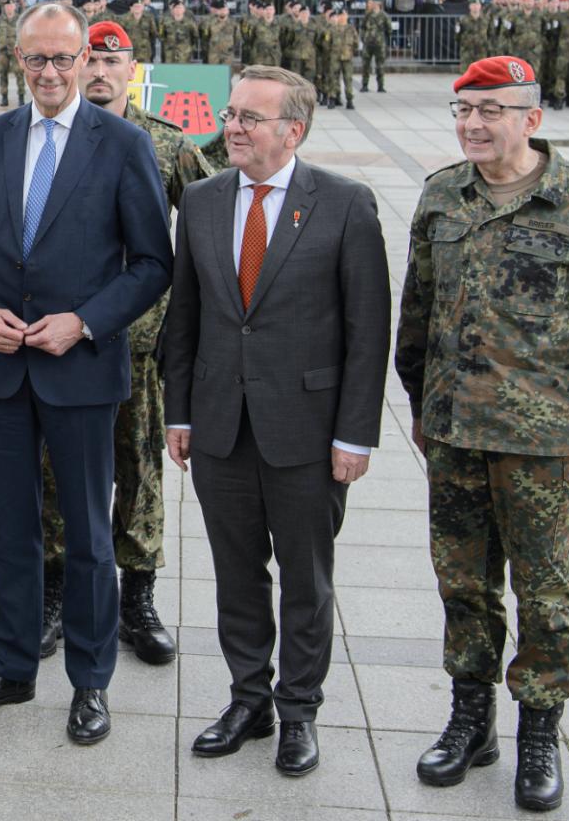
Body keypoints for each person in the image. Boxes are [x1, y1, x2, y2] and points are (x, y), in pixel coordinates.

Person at [396, 56, 569, 813]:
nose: (472, 125)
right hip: (454, 429)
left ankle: (539, 730)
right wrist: (417, 399)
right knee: (463, 583)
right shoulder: (442, 194)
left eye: (491, 111)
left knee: (543, 591)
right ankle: (470, 720)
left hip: (542, 439)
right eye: (463, 111)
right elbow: (418, 307)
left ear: (531, 120)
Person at [0, 1, 173, 746]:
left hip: (82, 371)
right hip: (5, 371)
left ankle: (90, 680)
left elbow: (153, 264)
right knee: (10, 527)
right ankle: (11, 665)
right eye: (35, 58)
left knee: (90, 537)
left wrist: (86, 321)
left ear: (84, 61)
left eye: (63, 59)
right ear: (17, 59)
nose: (49, 72)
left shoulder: (124, 144)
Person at [163, 65, 390, 777]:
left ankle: (298, 712)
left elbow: (368, 331)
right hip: (221, 426)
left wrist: (355, 434)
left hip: (308, 432)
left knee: (305, 579)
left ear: (293, 130)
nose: (231, 127)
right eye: (231, 114)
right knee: (235, 575)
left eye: (249, 118)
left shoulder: (345, 204)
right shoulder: (201, 200)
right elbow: (185, 317)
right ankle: (248, 700)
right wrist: (179, 412)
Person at [37, 21, 213, 665]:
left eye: (114, 62)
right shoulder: (50, 138)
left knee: (139, 470)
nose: (101, 72)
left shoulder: (164, 144)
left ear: (133, 69)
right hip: (63, 339)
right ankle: (57, 592)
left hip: (138, 344)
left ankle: (137, 596)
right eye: (92, 60)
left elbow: (211, 215)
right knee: (58, 470)